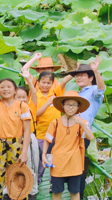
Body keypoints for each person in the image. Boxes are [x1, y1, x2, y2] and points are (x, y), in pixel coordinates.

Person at [21, 53, 74, 191]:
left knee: (52, 157)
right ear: (38, 82)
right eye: (43, 82)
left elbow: (64, 82)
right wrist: (48, 103)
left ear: (52, 83)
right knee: (40, 160)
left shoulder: (55, 92)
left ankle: (53, 183)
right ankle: (36, 182)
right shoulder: (35, 96)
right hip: (41, 133)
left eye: (48, 83)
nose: (45, 85)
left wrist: (76, 71)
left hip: (56, 132)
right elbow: (36, 114)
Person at [0, 56, 31, 200]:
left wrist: (24, 151)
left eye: (9, 87)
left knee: (19, 176)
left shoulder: (22, 105)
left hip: (16, 144)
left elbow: (27, 131)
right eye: (2, 87)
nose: (5, 89)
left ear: (15, 90)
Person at [59, 56, 105, 200]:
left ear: (90, 78)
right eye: (77, 75)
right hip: (69, 134)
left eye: (83, 75)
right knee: (71, 167)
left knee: (77, 169)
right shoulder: (79, 92)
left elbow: (101, 89)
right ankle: (74, 199)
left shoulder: (93, 91)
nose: (78, 77)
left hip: (82, 136)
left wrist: (97, 72)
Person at [43, 91, 94, 200]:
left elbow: (91, 137)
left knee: (74, 191)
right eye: (68, 105)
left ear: (78, 107)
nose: (70, 108)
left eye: (73, 105)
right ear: (63, 106)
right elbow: (47, 139)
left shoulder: (82, 123)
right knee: (57, 191)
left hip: (75, 163)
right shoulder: (56, 122)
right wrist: (44, 154)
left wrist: (81, 123)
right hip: (58, 162)